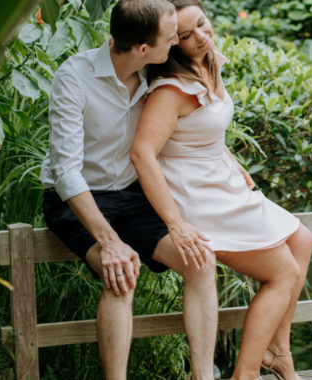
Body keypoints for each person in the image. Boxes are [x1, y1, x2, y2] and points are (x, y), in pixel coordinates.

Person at [129, 1, 312, 379]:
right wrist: (175, 222)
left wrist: (228, 156)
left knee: (303, 240)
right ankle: (245, 374)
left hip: (222, 179)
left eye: (201, 24)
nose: (200, 37)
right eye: (185, 36)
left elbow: (203, 126)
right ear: (171, 45)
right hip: (196, 195)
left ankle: (278, 351)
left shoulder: (208, 60)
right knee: (282, 273)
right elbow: (143, 153)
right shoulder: (171, 89)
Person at [40, 1, 218, 379]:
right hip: (77, 198)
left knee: (201, 262)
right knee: (121, 273)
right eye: (171, 38)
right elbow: (66, 172)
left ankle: (202, 376)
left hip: (131, 195)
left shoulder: (157, 71)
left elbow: (197, 122)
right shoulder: (75, 77)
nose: (177, 43)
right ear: (142, 48)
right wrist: (109, 242)